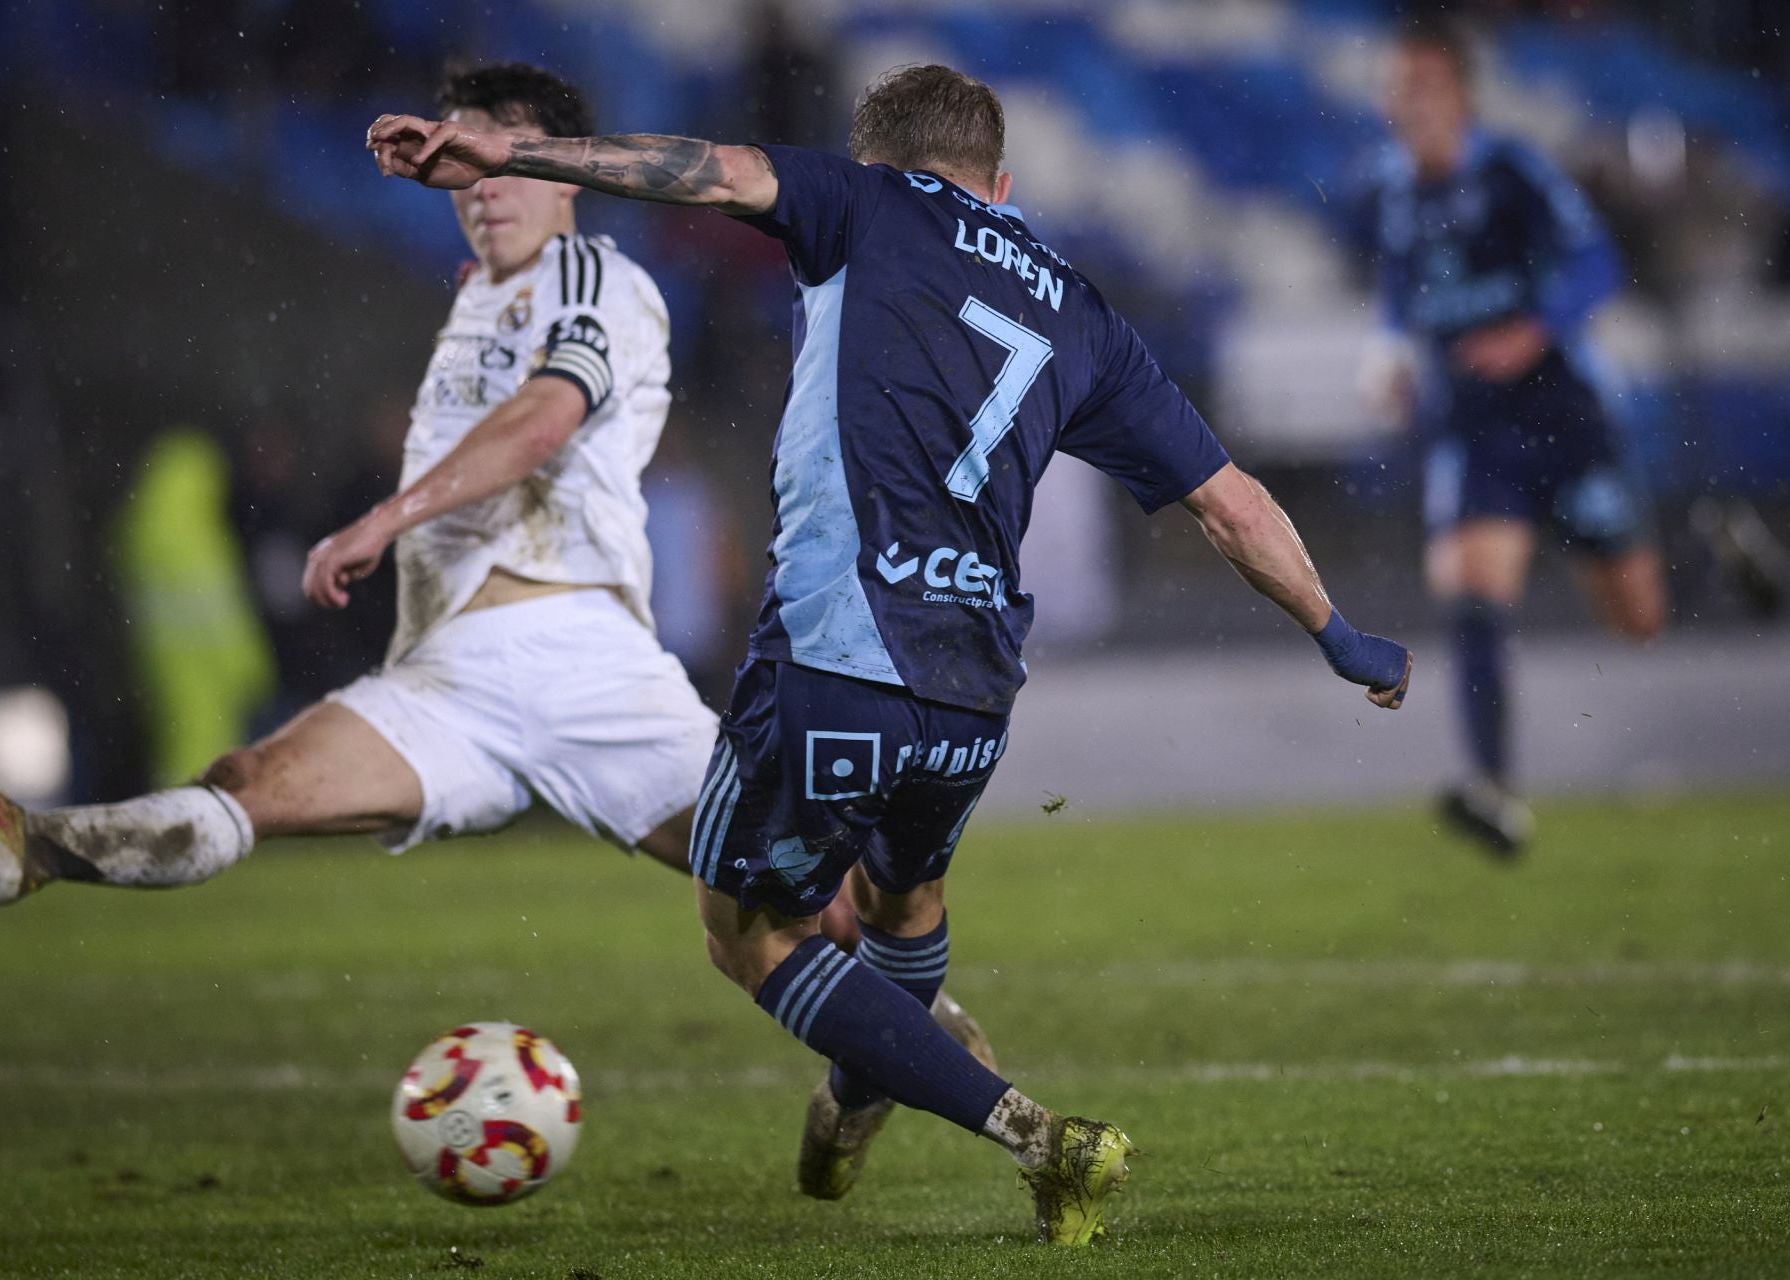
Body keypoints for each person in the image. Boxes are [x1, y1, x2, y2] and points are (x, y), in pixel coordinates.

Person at [368, 62, 1413, 1245]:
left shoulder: (866, 204)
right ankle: (859, 1092)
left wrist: (509, 153)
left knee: (751, 929)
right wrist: (1338, 632)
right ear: (1003, 184)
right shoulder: (1079, 310)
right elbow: (1232, 504)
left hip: (836, 656)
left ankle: (1037, 1135)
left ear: (875, 159)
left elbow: (701, 173)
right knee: (905, 895)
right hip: (974, 689)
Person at [0, 66, 742, 912]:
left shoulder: (595, 278)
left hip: (580, 663)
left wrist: (386, 518)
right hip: (450, 684)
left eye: (502, 162)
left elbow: (545, 419)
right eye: (459, 168)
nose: (480, 190)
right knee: (251, 779)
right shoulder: (476, 309)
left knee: (792, 902)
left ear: (564, 171)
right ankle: (32, 847)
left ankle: (874, 957)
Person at [1353, 22, 1667, 856]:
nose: (1406, 103)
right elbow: (1396, 291)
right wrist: (1388, 356)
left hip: (1560, 414)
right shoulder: (1386, 189)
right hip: (1473, 425)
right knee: (1471, 594)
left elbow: (1596, 261)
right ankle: (1494, 789)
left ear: (1460, 96)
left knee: (1638, 619)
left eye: (1422, 85)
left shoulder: (1512, 170)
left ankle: (1718, 548)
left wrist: (1532, 330)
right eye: (1397, 87)